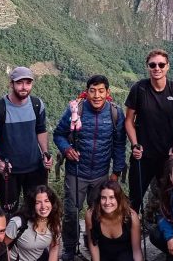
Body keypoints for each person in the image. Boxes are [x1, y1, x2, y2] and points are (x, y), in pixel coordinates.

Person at [53, 75, 127, 260]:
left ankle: (94, 243)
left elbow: (119, 144)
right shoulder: (75, 110)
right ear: (86, 93)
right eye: (92, 91)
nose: (96, 95)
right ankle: (70, 248)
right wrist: (67, 149)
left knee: (99, 212)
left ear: (107, 93)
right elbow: (58, 134)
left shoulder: (115, 113)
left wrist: (116, 173)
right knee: (71, 212)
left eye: (101, 91)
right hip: (76, 172)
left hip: (102, 174)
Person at [0, 66, 53, 217]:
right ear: (11, 84)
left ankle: (35, 240)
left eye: (28, 83)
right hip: (9, 172)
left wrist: (45, 152)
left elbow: (41, 130)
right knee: (9, 212)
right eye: (20, 83)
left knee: (37, 210)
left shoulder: (37, 105)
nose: (24, 87)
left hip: (35, 169)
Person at [124, 49, 173, 213]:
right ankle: (132, 236)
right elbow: (129, 121)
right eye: (153, 65)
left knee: (170, 198)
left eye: (161, 64)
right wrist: (135, 145)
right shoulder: (139, 89)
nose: (157, 68)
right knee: (134, 200)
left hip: (167, 156)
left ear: (168, 67)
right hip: (142, 155)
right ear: (147, 67)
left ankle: (170, 236)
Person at [85, 180, 143, 261]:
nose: (107, 202)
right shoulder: (91, 215)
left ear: (119, 199)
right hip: (103, 256)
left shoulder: (131, 216)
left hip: (125, 257)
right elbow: (93, 244)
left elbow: (137, 250)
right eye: (103, 198)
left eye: (112, 197)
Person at [4, 185, 62, 261]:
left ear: (52, 203)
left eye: (47, 201)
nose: (43, 206)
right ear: (32, 205)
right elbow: (2, 247)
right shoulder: (18, 223)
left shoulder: (55, 223)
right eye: (38, 202)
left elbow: (54, 248)